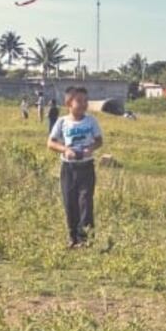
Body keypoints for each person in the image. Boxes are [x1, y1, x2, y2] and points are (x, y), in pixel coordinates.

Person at [47, 86, 103, 248]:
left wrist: (90, 149)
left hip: (86, 167)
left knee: (85, 201)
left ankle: (86, 239)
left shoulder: (91, 121)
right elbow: (51, 142)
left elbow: (99, 140)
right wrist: (65, 150)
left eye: (86, 100)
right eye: (79, 101)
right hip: (68, 168)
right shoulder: (62, 122)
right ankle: (73, 238)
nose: (84, 104)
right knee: (70, 202)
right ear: (69, 103)